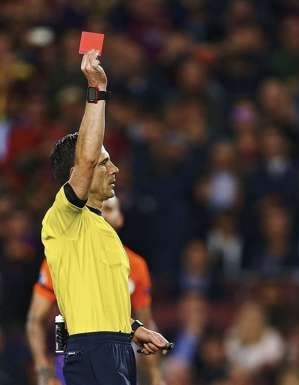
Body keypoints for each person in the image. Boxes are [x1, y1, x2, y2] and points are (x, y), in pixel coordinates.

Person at [41, 50, 170, 385]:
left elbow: (98, 301)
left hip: (115, 347)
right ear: (77, 173)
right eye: (104, 163)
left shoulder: (103, 230)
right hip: (93, 348)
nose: (114, 169)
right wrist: (97, 91)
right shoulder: (64, 218)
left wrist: (134, 329)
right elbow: (85, 159)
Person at [27, 197, 165, 385]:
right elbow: (36, 319)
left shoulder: (136, 266)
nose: (102, 215)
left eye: (109, 209)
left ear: (120, 218)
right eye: (98, 209)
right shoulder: (61, 260)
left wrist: (155, 376)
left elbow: (146, 322)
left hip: (118, 354)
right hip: (72, 353)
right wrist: (43, 369)